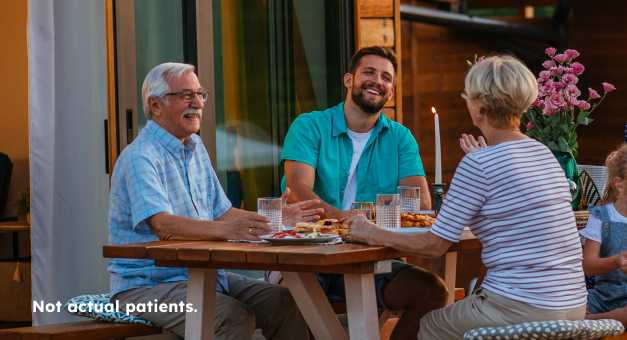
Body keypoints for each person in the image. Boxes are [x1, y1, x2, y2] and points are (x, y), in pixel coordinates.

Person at [346, 55, 588, 339]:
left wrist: (371, 232)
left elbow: (435, 244)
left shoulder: (481, 164)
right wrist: (482, 160)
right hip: (572, 305)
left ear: (478, 106)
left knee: (429, 326)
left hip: (520, 307)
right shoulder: (543, 155)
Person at [108, 62, 322, 339]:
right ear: (156, 105)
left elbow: (222, 214)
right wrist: (226, 231)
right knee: (230, 317)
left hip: (206, 277)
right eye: (186, 95)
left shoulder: (195, 148)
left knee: (286, 301)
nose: (197, 103)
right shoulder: (141, 156)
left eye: (200, 94)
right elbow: (163, 225)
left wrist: (274, 219)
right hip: (145, 287)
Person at [281, 46, 447, 340]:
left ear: (391, 91)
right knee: (296, 309)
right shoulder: (310, 125)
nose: (377, 81)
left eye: (386, 77)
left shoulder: (400, 137)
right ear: (348, 80)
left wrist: (370, 225)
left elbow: (419, 201)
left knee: (433, 291)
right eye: (369, 72)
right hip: (309, 255)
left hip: (370, 260)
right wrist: (344, 219)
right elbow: (297, 189)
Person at [582, 143, 627, 325]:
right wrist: (616, 260)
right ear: (619, 184)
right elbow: (588, 266)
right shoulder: (601, 217)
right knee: (564, 308)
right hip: (603, 297)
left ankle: (592, 323)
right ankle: (589, 321)